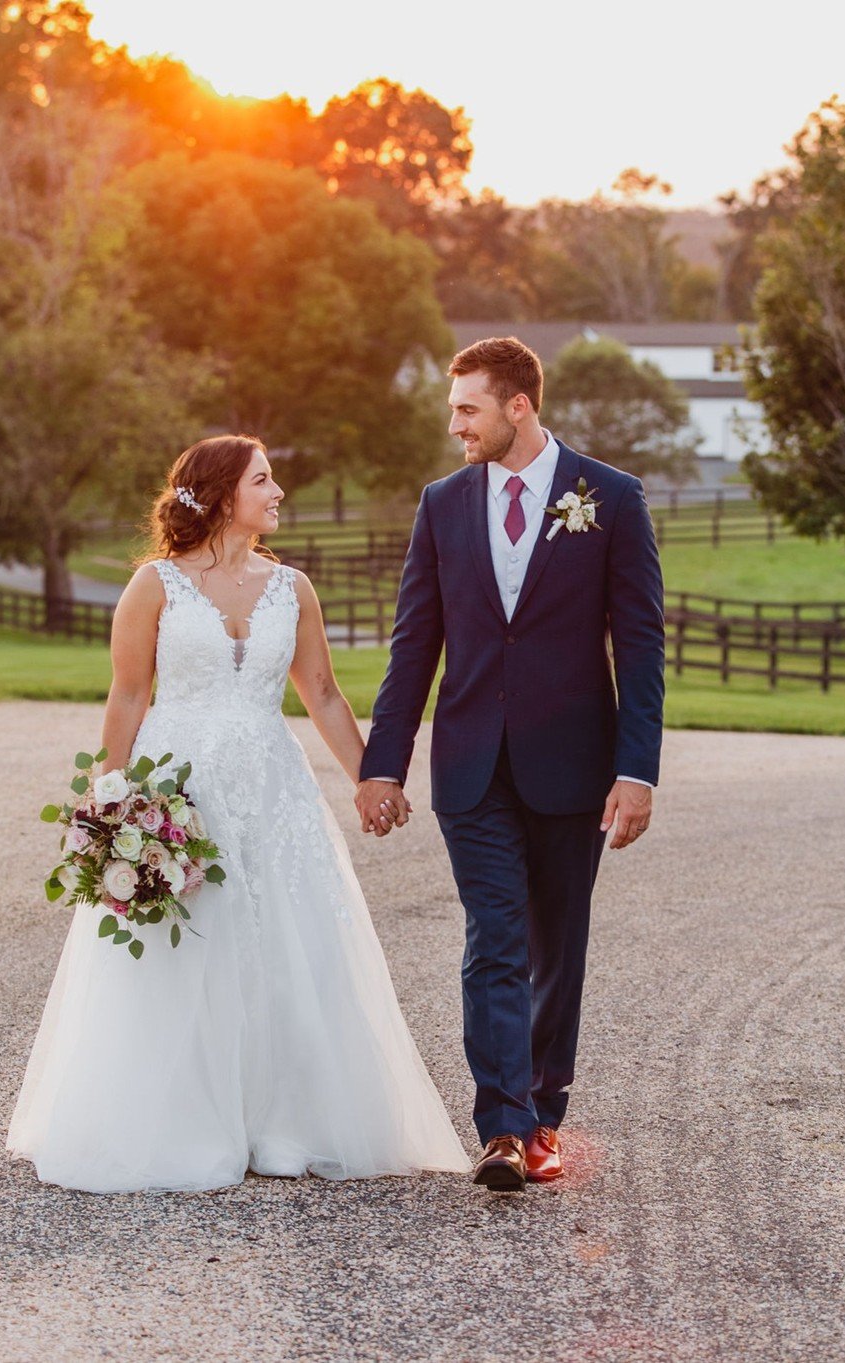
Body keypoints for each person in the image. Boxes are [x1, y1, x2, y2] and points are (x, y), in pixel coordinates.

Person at [8, 434, 469, 1193]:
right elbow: (129, 694)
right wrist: (109, 798)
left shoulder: (294, 587)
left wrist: (371, 779)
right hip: (178, 785)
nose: (278, 490)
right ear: (224, 496)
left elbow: (320, 692)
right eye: (264, 479)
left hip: (271, 789)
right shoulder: (153, 585)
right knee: (187, 942)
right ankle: (180, 1120)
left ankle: (285, 1122)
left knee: (286, 939)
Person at [356, 338, 665, 1191]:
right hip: (471, 766)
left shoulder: (612, 499)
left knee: (556, 943)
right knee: (494, 935)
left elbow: (640, 648)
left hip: (576, 764)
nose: (455, 425)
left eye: (467, 409)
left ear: (518, 406)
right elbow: (414, 643)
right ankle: (503, 1126)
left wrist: (638, 770)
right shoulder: (443, 503)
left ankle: (546, 1113)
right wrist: (385, 763)